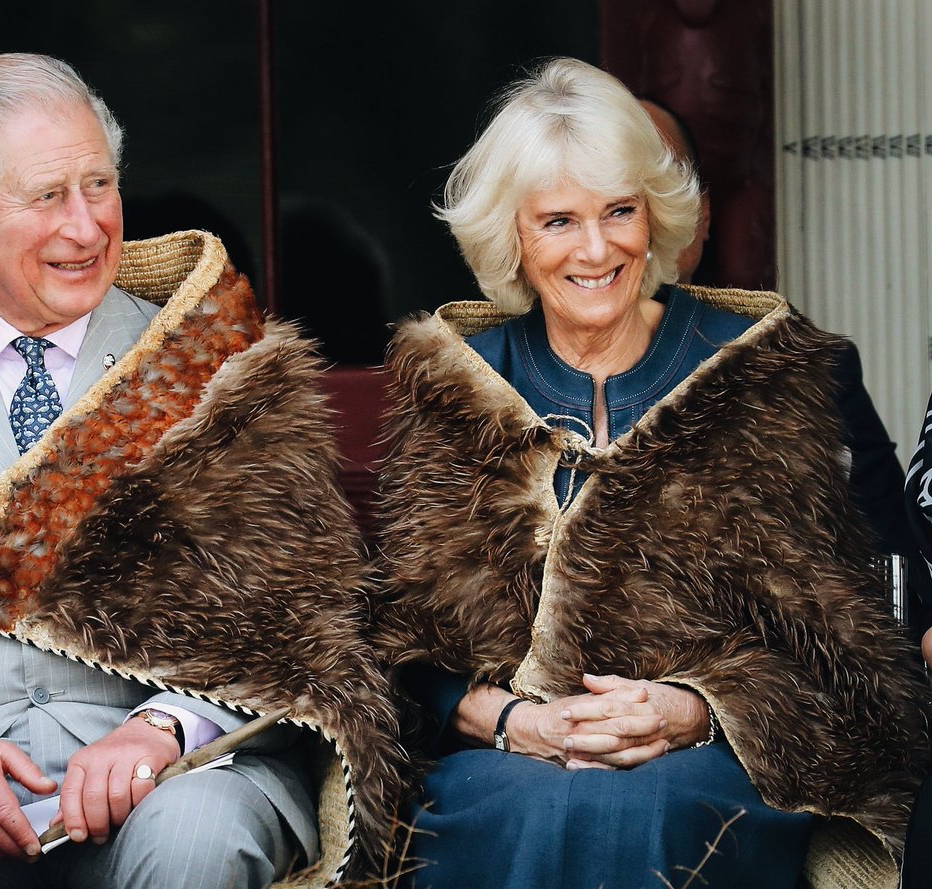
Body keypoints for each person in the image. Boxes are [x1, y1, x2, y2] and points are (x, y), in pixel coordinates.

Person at [0, 53, 402, 889]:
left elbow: (299, 628)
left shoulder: (216, 367)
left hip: (175, 783)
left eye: (99, 186)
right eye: (48, 195)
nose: (86, 228)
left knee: (195, 834)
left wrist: (158, 732)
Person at [373, 58, 928, 889]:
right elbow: (401, 644)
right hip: (500, 758)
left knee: (639, 808)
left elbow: (852, 636)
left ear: (656, 214)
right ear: (512, 237)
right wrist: (518, 721)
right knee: (534, 805)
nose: (596, 249)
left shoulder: (767, 374)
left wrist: (696, 709)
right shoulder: (458, 386)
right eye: (559, 220)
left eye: (619, 212)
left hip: (723, 761)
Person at [642, 96, 932, 638]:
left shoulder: (802, 365)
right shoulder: (484, 377)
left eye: (660, 191)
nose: (629, 229)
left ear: (701, 216)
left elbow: (888, 564)